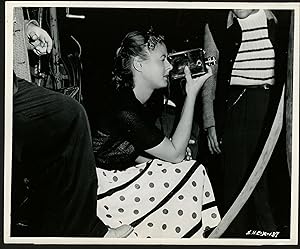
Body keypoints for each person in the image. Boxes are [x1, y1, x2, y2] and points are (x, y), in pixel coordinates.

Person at [12, 7, 133, 237]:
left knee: (69, 116)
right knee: (68, 115)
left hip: (13, 81)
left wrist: (28, 28)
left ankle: (70, 229)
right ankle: (86, 230)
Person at [91, 29, 221, 238]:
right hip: (102, 192)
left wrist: (166, 157)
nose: (169, 67)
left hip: (115, 180)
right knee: (193, 172)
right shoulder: (126, 109)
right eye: (163, 60)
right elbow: (176, 154)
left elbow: (132, 153)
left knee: (187, 170)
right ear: (139, 65)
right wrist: (191, 94)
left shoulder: (137, 103)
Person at [199, 9, 290, 237]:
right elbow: (208, 75)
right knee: (235, 179)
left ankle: (271, 232)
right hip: (235, 104)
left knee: (267, 179)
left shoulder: (283, 19)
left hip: (273, 106)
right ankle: (234, 235)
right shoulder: (216, 25)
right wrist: (210, 122)